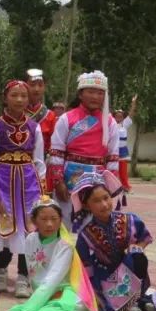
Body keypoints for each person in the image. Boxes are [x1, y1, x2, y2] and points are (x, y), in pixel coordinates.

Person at [7, 198, 116, 311]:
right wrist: (31, 310)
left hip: (68, 294)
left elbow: (51, 281)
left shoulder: (65, 245)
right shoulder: (30, 239)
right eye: (43, 219)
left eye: (54, 219)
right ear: (34, 220)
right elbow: (35, 277)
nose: (49, 224)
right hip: (47, 297)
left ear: (60, 221)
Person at [0, 80, 45, 298]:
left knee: (29, 227)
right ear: (5, 98)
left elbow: (39, 160)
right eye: (14, 95)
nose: (19, 100)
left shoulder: (34, 127)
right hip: (3, 181)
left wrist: (43, 190)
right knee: (3, 223)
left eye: (23, 96)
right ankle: (0, 271)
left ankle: (23, 277)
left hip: (29, 182)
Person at [73, 173, 153, 311]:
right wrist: (92, 294)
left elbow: (145, 237)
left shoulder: (130, 220)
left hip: (130, 270)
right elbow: (85, 267)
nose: (104, 204)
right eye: (96, 201)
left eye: (106, 198)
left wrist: (137, 247)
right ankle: (125, 308)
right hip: (104, 277)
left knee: (137, 255)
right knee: (95, 309)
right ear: (87, 206)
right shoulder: (85, 235)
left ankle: (132, 307)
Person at [49, 71, 122, 232]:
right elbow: (56, 152)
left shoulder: (109, 122)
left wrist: (112, 186)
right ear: (81, 94)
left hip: (98, 179)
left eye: (100, 93)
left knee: (95, 225)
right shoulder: (67, 118)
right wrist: (58, 182)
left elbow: (113, 157)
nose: (95, 97)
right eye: (90, 92)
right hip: (69, 178)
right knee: (65, 223)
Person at [25, 68, 58, 156]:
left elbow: (54, 144)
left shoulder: (50, 115)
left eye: (40, 85)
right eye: (32, 85)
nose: (36, 89)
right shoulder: (16, 112)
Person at [114, 95, 138, 193]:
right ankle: (113, 188)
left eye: (120, 116)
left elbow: (131, 113)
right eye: (117, 116)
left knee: (123, 170)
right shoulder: (110, 124)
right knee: (112, 170)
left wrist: (133, 103)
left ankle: (126, 187)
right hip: (113, 150)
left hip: (122, 151)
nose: (118, 118)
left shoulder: (125, 124)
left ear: (123, 117)